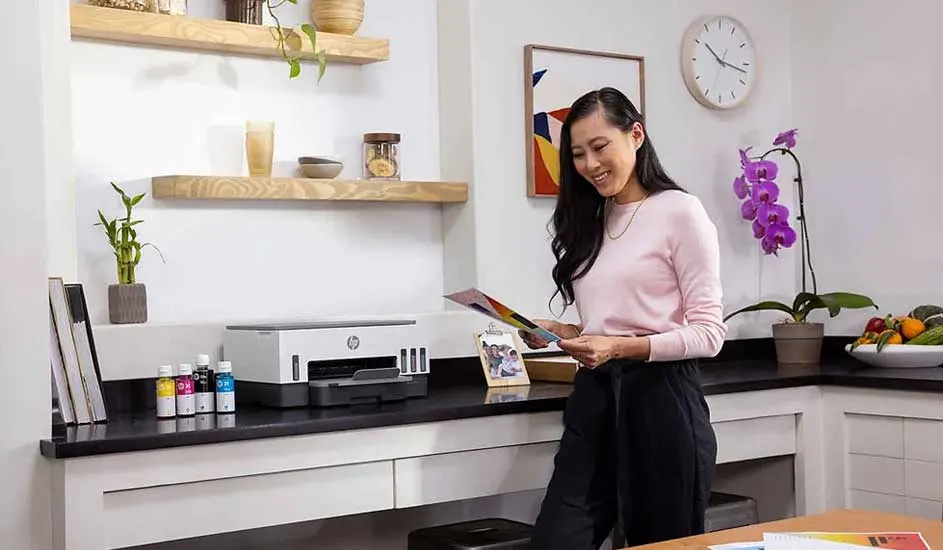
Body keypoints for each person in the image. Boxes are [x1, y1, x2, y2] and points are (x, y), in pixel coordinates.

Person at [519, 87, 726, 550]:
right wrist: (566, 332)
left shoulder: (680, 212)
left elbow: (710, 333)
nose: (590, 164)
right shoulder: (593, 218)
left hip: (663, 402)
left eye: (599, 147)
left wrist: (618, 346)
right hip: (595, 400)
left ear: (635, 135)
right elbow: (609, 323)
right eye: (577, 154)